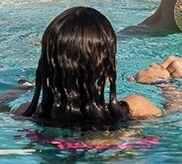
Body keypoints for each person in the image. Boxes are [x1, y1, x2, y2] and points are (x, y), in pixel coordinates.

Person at [14, 7, 163, 130]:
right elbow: (177, 113)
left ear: (44, 71)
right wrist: (162, 84)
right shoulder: (136, 108)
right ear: (109, 71)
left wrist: (24, 87)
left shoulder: (27, 113)